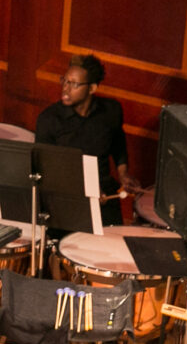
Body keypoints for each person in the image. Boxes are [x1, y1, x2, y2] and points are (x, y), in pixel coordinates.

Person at [34, 53, 136, 225]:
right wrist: (86, 190)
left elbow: (118, 143)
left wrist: (123, 173)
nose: (65, 88)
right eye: (64, 81)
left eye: (74, 84)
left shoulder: (111, 111)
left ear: (92, 88)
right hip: (65, 199)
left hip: (104, 194)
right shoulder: (49, 120)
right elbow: (45, 169)